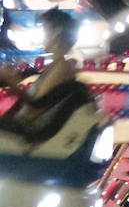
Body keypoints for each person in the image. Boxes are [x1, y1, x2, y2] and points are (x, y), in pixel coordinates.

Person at [0, 9, 83, 141]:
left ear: (56, 32)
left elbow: (38, 102)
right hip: (19, 127)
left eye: (44, 28)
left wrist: (11, 80)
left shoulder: (63, 65)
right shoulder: (55, 66)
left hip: (26, 132)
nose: (43, 35)